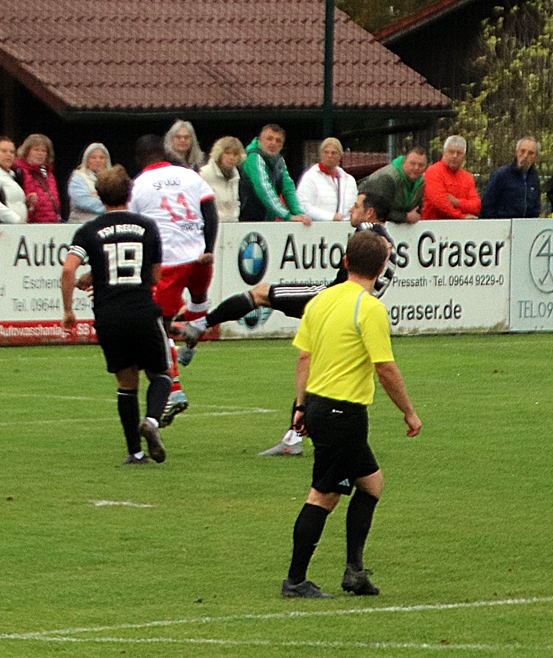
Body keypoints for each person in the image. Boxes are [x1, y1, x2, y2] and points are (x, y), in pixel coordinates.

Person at [180, 192, 397, 458]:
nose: (351, 211)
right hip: (349, 307)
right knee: (315, 361)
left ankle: (200, 324)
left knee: (261, 294)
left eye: (356, 206)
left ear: (371, 213)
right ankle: (294, 437)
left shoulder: (370, 233)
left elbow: (368, 235)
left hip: (331, 298)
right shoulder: (387, 240)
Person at [280, 230, 421, 599]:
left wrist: (300, 406)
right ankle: (295, 580)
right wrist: (409, 412)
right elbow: (385, 368)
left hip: (322, 407)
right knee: (323, 495)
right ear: (381, 268)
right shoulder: (369, 308)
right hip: (343, 412)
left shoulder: (321, 301)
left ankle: (354, 571)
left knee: (371, 484)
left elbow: (304, 358)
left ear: (344, 262)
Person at [61, 164, 173, 465]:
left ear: (98, 195)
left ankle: (135, 452)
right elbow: (155, 275)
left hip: (109, 316)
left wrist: (69, 310)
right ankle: (150, 421)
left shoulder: (88, 231)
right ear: (130, 192)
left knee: (126, 383)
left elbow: (69, 269)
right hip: (141, 311)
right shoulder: (146, 226)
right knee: (161, 374)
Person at [129, 134, 218, 428]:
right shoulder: (188, 175)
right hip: (198, 257)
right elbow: (210, 210)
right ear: (165, 151)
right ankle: (192, 339)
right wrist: (208, 248)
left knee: (160, 328)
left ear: (141, 158)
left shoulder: (139, 184)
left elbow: (134, 227)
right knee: (200, 299)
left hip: (168, 261)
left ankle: (175, 391)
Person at [239, 124, 312, 225]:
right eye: (269, 139)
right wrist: (287, 216)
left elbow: (288, 187)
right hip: (247, 219)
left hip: (266, 219)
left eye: (278, 141)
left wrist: (299, 213)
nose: (273, 143)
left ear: (282, 146)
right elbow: (264, 189)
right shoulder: (253, 157)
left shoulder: (279, 160)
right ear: (260, 139)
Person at [357, 147, 428, 224]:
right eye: (412, 163)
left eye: (421, 165)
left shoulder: (421, 182)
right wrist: (405, 217)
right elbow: (378, 212)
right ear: (403, 162)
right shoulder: (387, 178)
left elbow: (417, 210)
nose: (416, 168)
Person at [296, 137, 358, 222]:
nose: (329, 156)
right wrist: (331, 217)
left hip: (345, 228)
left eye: (334, 153)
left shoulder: (349, 180)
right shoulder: (310, 177)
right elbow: (304, 206)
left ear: (340, 155)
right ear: (321, 154)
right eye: (326, 152)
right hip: (318, 228)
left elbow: (354, 206)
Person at [420, 135, 481, 220]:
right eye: (451, 152)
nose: (455, 156)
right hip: (434, 226)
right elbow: (440, 204)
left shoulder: (467, 177)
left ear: (464, 157)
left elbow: (476, 206)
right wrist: (461, 216)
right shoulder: (433, 172)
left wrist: (457, 202)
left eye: (459, 153)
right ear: (444, 153)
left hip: (461, 228)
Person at [479, 137, 541, 219]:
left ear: (536, 158)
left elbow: (536, 207)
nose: (525, 156)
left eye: (531, 153)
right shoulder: (501, 174)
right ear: (516, 153)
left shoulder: (534, 178)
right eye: (522, 151)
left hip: (526, 227)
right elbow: (487, 205)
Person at [17, 134, 63, 223]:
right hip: (31, 223)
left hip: (52, 222)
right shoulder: (18, 171)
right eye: (36, 150)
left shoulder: (49, 174)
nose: (40, 153)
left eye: (43, 150)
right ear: (27, 151)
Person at [199, 136, 244, 223]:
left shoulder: (236, 175)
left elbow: (235, 203)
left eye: (235, 154)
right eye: (227, 153)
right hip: (211, 224)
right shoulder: (204, 173)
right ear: (219, 154)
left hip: (232, 225)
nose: (231, 157)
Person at [66, 142, 111, 224]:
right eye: (93, 157)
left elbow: (121, 201)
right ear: (86, 160)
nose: (98, 160)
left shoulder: (113, 179)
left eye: (101, 158)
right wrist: (109, 205)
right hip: (81, 224)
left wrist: (96, 196)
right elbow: (84, 202)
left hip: (106, 225)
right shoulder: (78, 177)